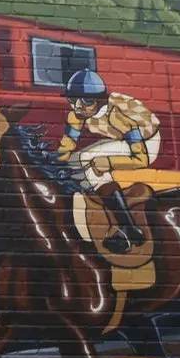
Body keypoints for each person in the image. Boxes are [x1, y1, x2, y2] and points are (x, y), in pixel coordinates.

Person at [56, 69, 161, 254]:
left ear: (99, 100)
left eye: (85, 101)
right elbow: (67, 147)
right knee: (75, 160)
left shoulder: (118, 116)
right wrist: (55, 163)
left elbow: (141, 158)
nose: (77, 107)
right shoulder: (77, 113)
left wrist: (108, 162)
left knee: (87, 159)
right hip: (121, 139)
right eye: (72, 100)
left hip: (146, 143)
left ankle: (129, 229)